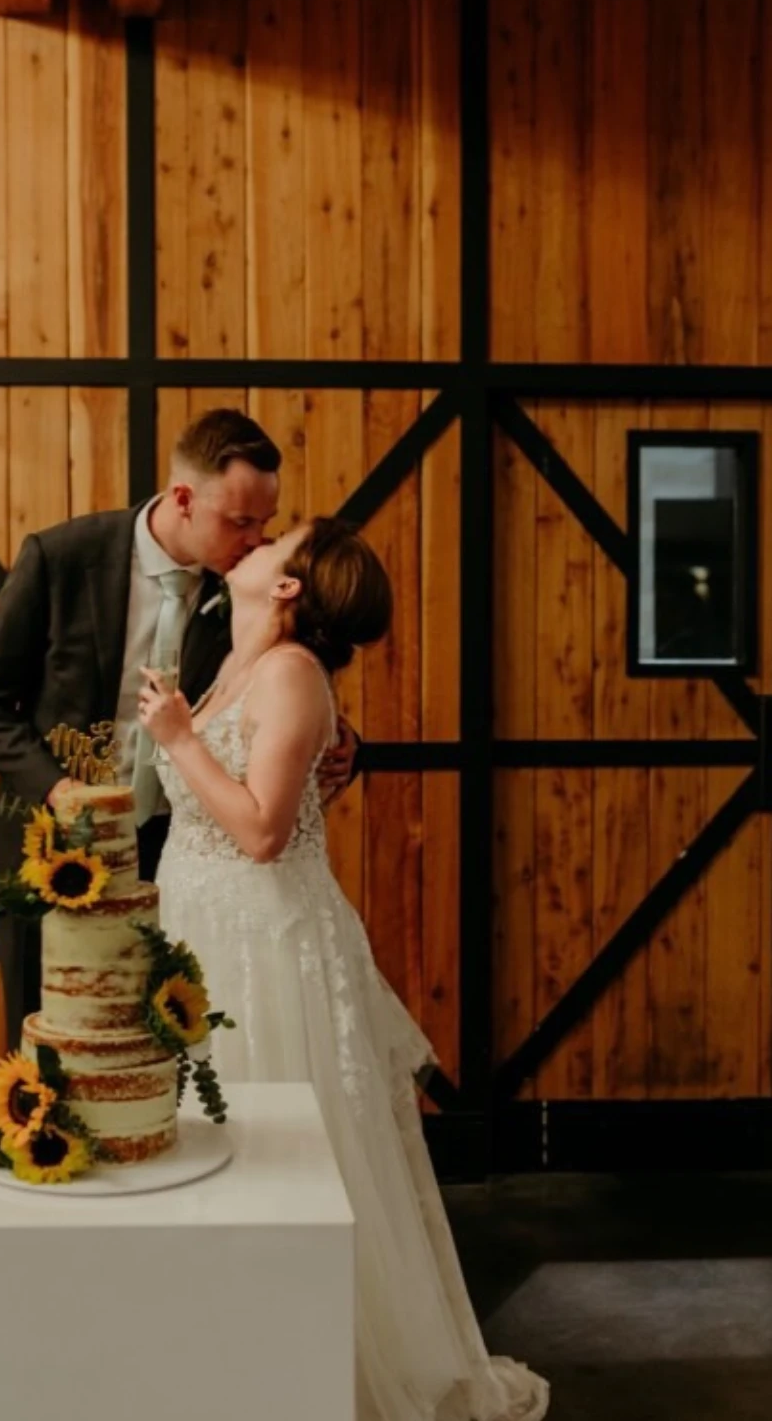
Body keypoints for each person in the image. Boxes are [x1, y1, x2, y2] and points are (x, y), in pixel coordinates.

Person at [138, 516, 550, 1421]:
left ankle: (302, 1368)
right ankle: (223, 1345)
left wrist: (178, 739)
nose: (252, 545)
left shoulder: (290, 672)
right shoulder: (236, 662)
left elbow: (261, 831)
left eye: (273, 543)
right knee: (214, 1151)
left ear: (288, 587)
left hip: (263, 945)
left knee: (277, 1153)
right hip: (199, 931)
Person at [0, 410, 360, 1048]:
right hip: (54, 852)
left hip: (178, 865)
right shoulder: (62, 557)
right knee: (50, 1054)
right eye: (240, 521)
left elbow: (277, 696)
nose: (256, 540)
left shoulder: (245, 588)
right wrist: (59, 789)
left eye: (265, 523)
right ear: (184, 498)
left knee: (162, 1061)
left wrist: (347, 743)